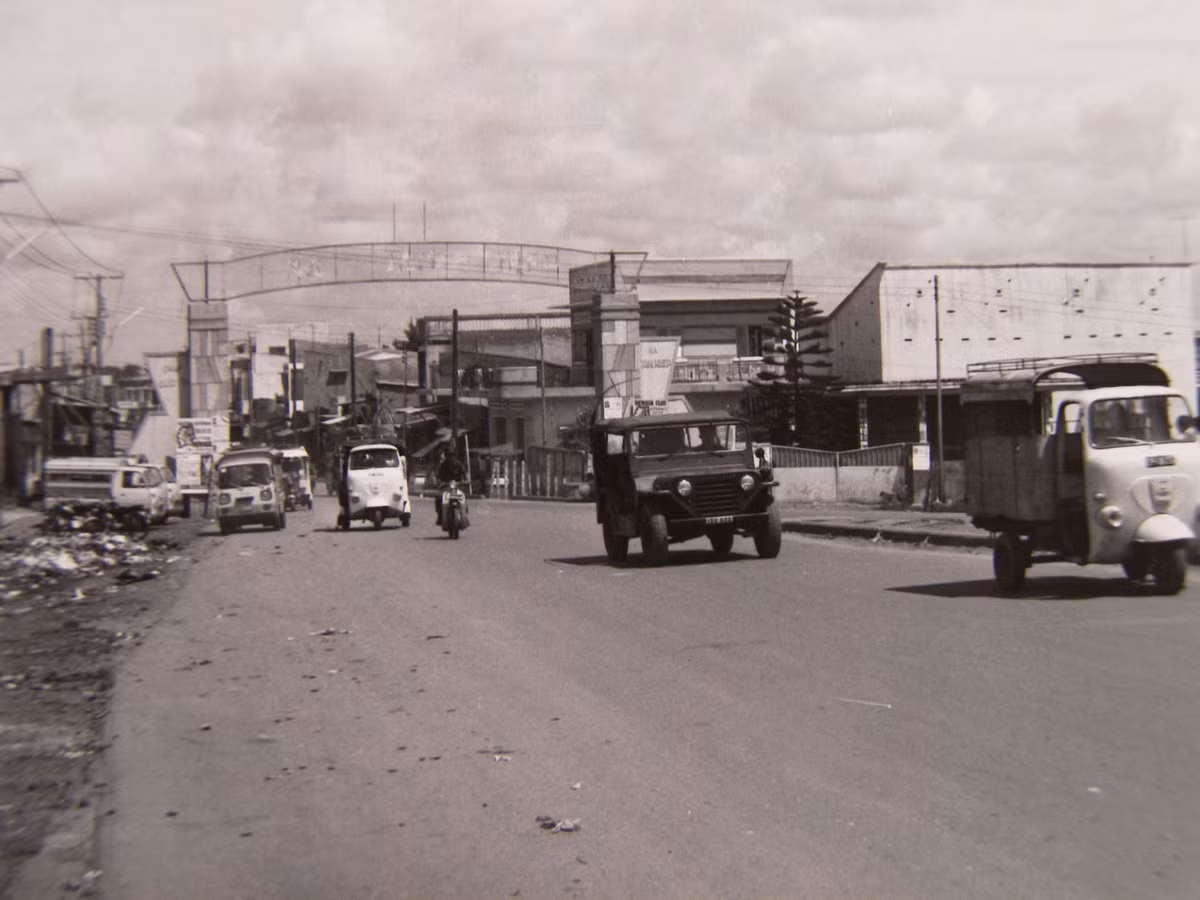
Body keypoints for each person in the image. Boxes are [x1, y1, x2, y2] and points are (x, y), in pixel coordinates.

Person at [435, 449, 468, 526]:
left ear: (455, 456)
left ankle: (465, 515)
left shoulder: (459, 464)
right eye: (450, 456)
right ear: (447, 457)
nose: (451, 457)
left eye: (453, 455)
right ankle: (440, 516)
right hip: (446, 487)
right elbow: (438, 476)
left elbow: (464, 473)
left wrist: (466, 481)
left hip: (458, 486)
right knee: (439, 498)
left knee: (463, 498)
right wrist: (439, 482)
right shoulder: (443, 465)